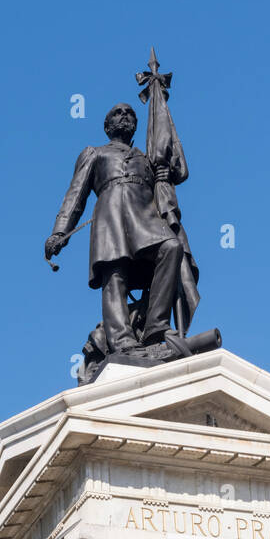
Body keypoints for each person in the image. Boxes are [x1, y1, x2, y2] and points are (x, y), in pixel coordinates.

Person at [44, 102, 184, 355]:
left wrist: (163, 174)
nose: (124, 116)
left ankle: (156, 325)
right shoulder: (95, 153)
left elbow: (173, 179)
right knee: (115, 275)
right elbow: (76, 195)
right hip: (111, 218)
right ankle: (122, 340)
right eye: (117, 113)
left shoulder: (147, 158)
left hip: (145, 217)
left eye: (130, 113)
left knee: (172, 248)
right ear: (107, 126)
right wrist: (60, 231)